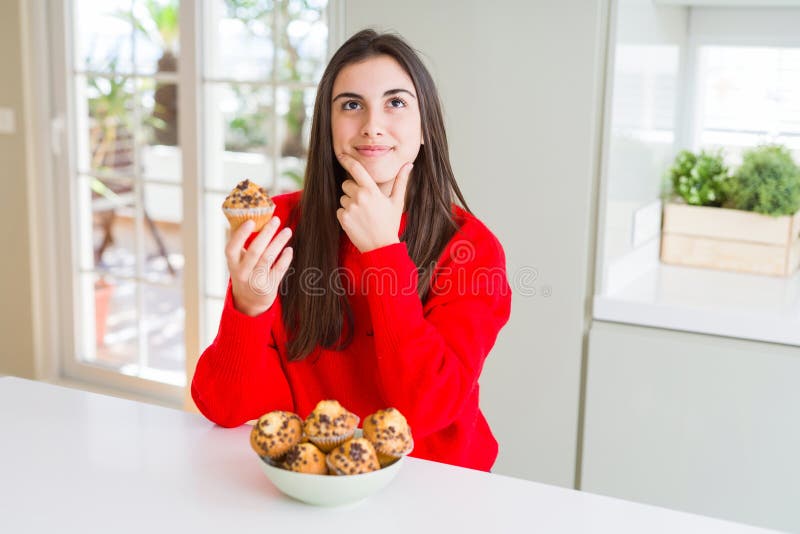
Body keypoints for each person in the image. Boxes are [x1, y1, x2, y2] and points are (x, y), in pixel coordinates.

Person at [192, 29, 512, 472]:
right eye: (351, 104)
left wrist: (383, 252)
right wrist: (248, 307)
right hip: (312, 483)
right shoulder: (279, 226)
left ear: (426, 128)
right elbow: (224, 407)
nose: (372, 125)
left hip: (434, 485)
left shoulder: (471, 249)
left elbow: (428, 413)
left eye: (396, 103)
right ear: (328, 123)